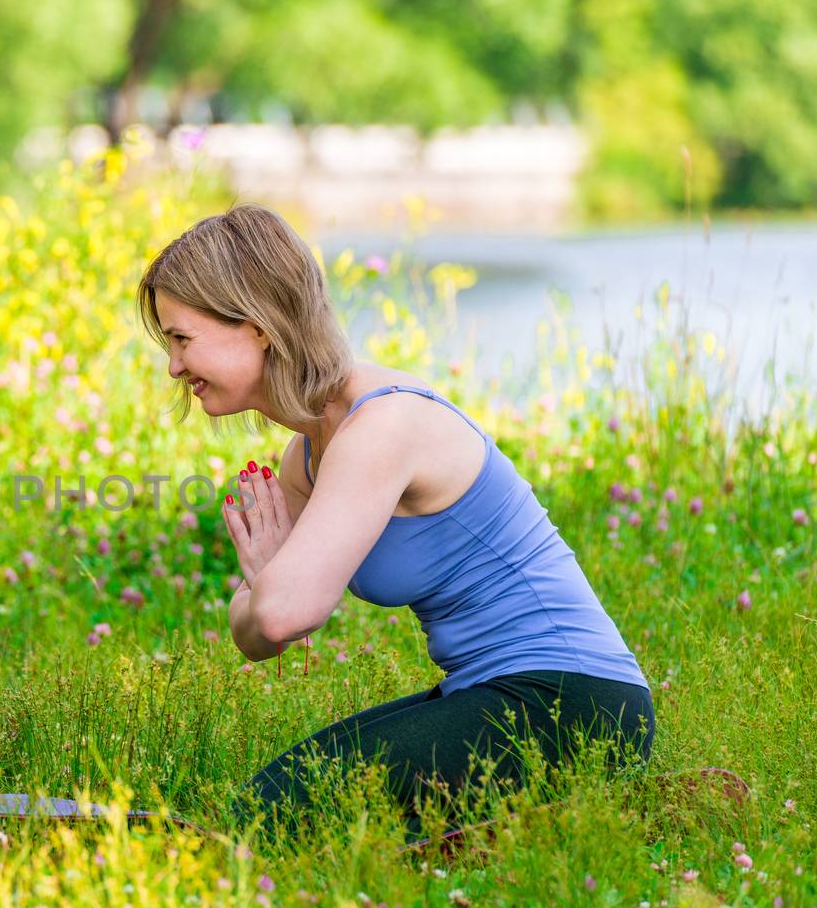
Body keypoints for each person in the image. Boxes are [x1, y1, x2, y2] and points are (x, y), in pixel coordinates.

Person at [136, 204, 655, 834]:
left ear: (257, 327)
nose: (173, 367)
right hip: (491, 691)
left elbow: (277, 613)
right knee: (267, 798)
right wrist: (269, 589)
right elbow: (261, 639)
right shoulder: (306, 455)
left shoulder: (383, 425)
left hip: (572, 701)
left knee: (274, 815)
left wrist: (268, 584)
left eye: (182, 339)